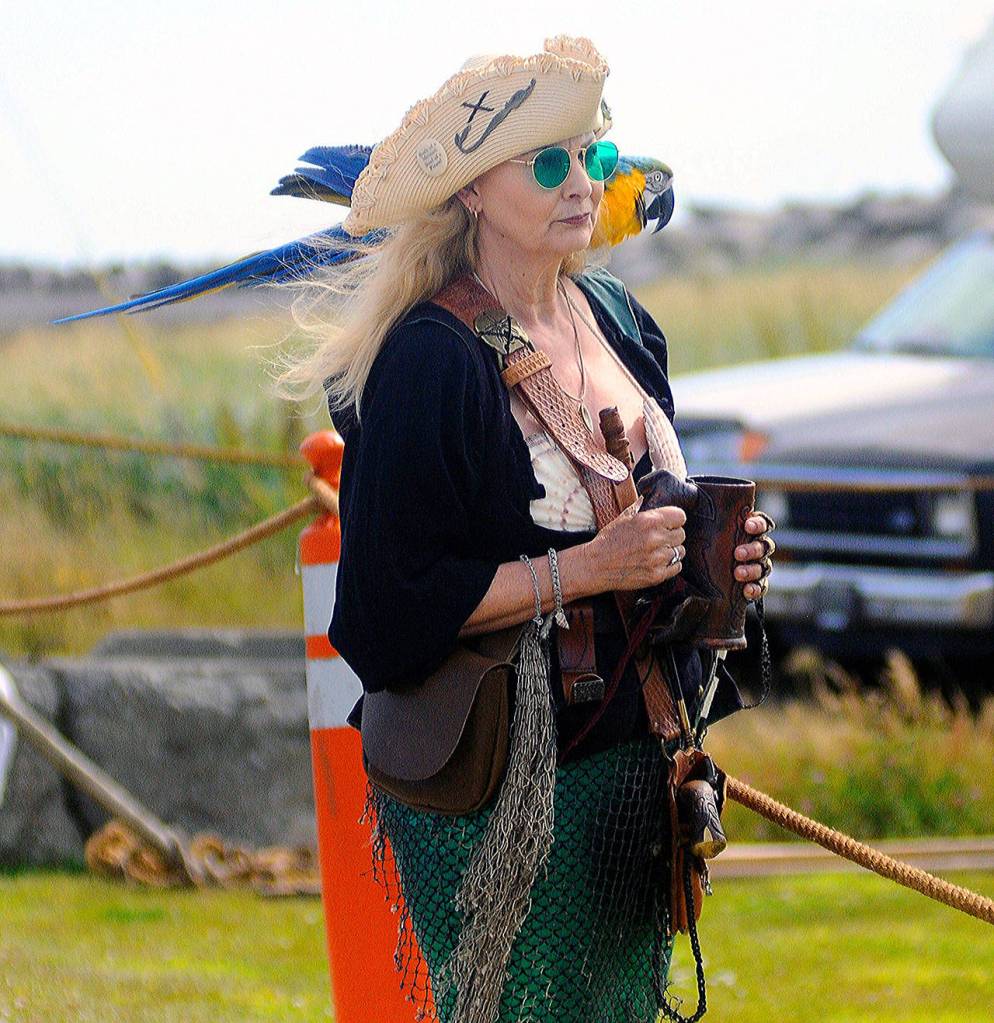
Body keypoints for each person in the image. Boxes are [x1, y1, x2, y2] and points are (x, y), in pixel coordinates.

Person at [275, 35, 774, 1023]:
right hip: (503, 777)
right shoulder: (431, 356)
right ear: (469, 192)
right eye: (547, 163)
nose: (582, 184)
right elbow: (387, 609)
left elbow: (645, 532)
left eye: (591, 157)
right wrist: (587, 569)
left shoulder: (619, 318)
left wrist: (719, 568)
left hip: (641, 753)